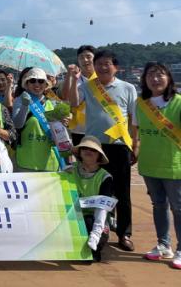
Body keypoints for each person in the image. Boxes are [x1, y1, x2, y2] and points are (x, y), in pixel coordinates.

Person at [67, 49, 138, 251]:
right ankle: (100, 229)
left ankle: (124, 233)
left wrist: (136, 144)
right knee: (96, 189)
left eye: (107, 63)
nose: (102, 67)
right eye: (99, 64)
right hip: (94, 147)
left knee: (122, 191)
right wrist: (72, 79)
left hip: (119, 146)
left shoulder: (128, 87)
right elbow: (73, 102)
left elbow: (134, 119)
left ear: (116, 67)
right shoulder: (88, 86)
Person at [135, 62, 181, 268]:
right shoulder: (141, 104)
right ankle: (164, 245)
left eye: (160, 74)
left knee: (179, 208)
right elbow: (136, 132)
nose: (155, 79)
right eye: (150, 75)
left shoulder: (178, 102)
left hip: (174, 165)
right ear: (144, 80)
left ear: (168, 78)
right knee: (158, 205)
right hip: (149, 164)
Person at [66, 136, 114, 262]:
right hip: (71, 215)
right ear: (80, 152)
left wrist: (96, 234)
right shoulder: (69, 171)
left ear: (99, 156)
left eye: (93, 150)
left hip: (95, 217)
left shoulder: (105, 177)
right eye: (84, 148)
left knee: (92, 231)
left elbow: (102, 209)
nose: (88, 151)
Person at [12, 67, 69, 172]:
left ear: (46, 84)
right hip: (27, 161)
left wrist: (64, 123)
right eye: (32, 81)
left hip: (50, 161)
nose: (37, 84)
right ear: (27, 84)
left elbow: (61, 132)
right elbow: (17, 125)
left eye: (41, 81)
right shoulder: (20, 100)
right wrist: (25, 105)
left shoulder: (53, 102)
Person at [62, 45, 96, 145]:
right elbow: (65, 97)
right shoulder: (74, 78)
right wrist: (69, 75)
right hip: (78, 130)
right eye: (81, 57)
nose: (85, 60)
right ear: (78, 60)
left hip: (98, 128)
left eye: (88, 57)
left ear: (95, 58)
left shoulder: (102, 79)